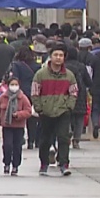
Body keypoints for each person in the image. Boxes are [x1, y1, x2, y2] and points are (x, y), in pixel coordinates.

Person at [31, 46, 78, 176]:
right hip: (46, 112)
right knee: (45, 139)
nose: (58, 58)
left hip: (63, 111)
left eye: (61, 55)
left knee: (63, 138)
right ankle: (44, 163)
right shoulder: (41, 74)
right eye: (55, 55)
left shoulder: (69, 75)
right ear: (50, 57)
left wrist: (69, 106)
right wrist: (39, 107)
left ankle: (63, 163)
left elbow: (74, 92)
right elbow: (35, 92)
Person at [0, 72, 33, 176]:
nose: (14, 86)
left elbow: (28, 111)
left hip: (19, 126)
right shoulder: (3, 97)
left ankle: (15, 165)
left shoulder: (23, 98)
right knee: (7, 145)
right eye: (12, 84)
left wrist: (18, 114)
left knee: (17, 146)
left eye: (16, 84)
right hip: (7, 126)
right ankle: (6, 163)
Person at [9, 45, 40, 149]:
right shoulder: (37, 66)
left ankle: (20, 137)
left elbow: (15, 78)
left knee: (20, 116)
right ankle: (31, 140)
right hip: (33, 92)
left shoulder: (16, 65)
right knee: (32, 117)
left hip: (21, 93)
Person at [64, 46, 92, 149]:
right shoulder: (81, 66)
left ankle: (68, 133)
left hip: (66, 94)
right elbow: (88, 81)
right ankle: (76, 139)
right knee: (79, 118)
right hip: (80, 94)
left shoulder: (64, 66)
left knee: (66, 116)